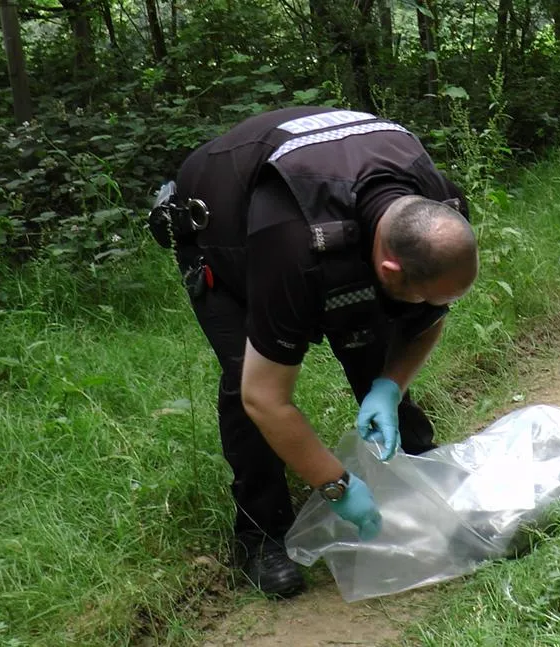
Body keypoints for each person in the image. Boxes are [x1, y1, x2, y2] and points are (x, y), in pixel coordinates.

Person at [148, 107, 478, 598]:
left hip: (331, 213)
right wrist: (336, 485)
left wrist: (390, 386)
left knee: (373, 341)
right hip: (224, 236)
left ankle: (420, 479)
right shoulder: (292, 247)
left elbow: (427, 318)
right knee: (246, 378)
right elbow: (265, 397)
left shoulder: (438, 210)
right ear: (388, 267)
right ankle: (260, 536)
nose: (437, 308)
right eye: (430, 294)